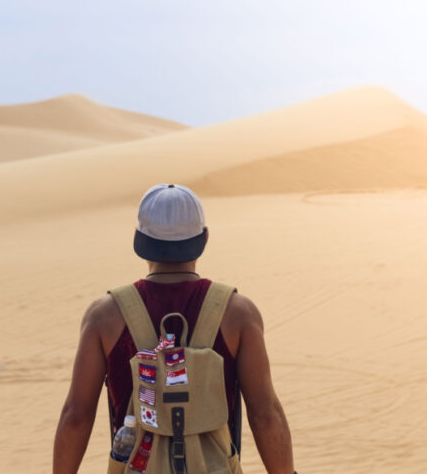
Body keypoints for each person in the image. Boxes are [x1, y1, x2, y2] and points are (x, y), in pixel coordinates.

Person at [53, 183, 295, 473]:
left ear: (139, 241)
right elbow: (266, 414)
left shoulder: (104, 316)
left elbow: (76, 416)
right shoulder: (238, 313)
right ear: (204, 239)